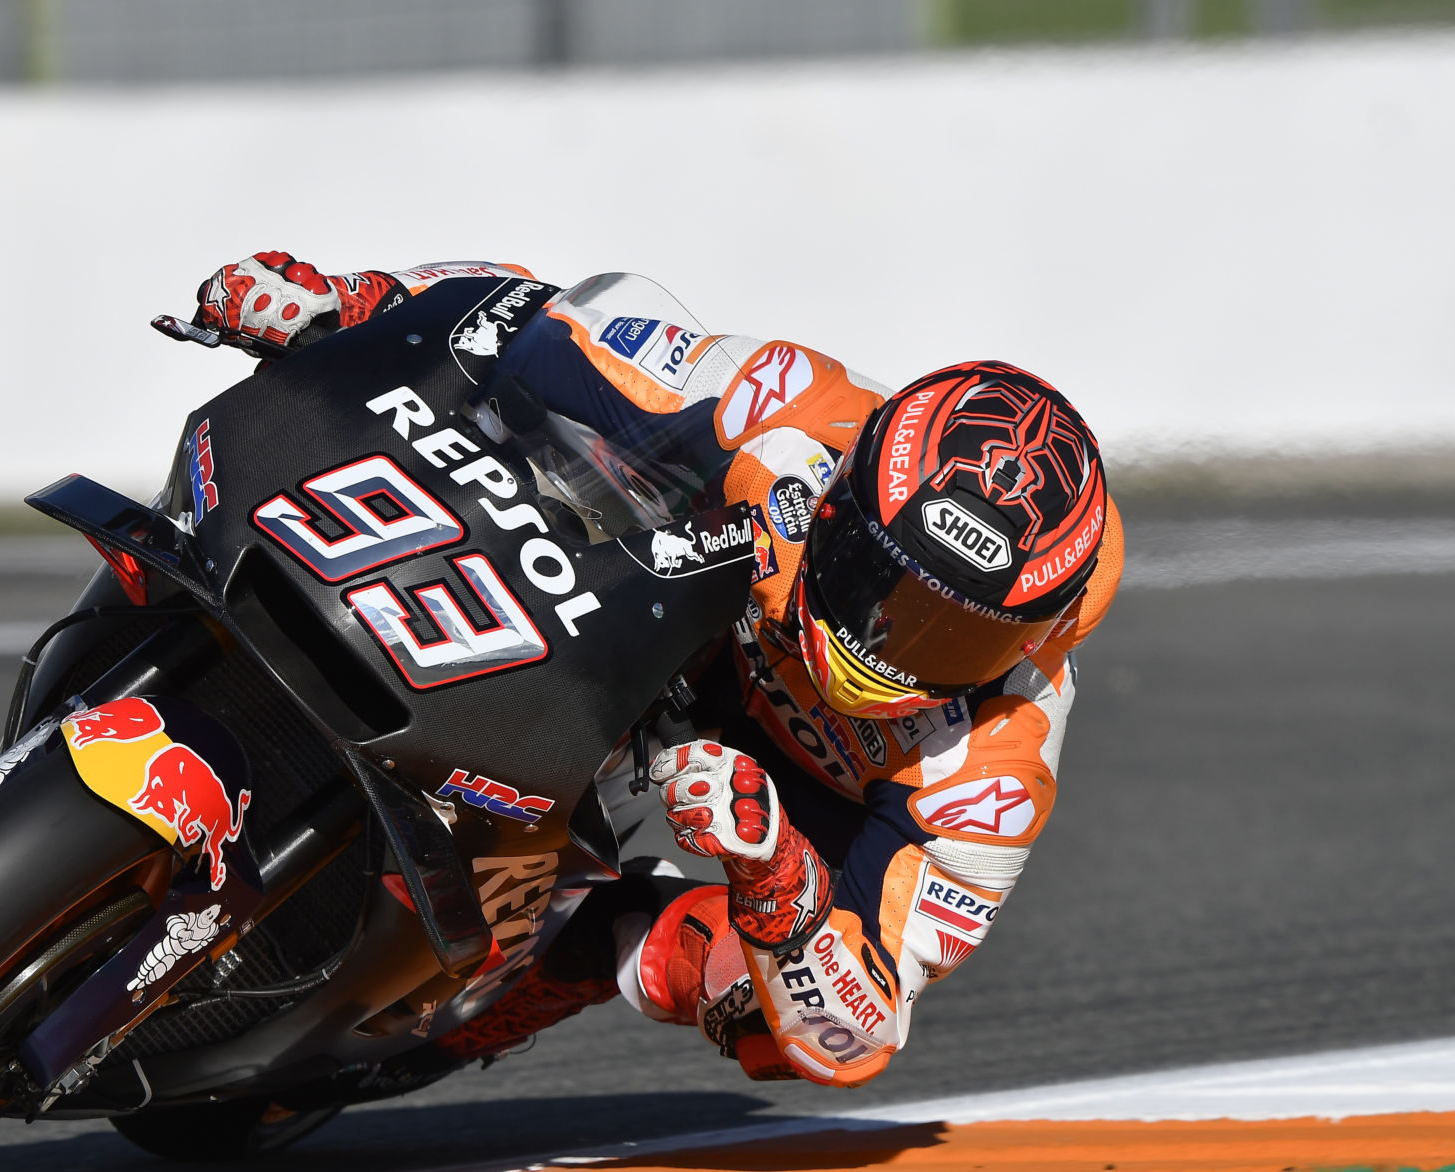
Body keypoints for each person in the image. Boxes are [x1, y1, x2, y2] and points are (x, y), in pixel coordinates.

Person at [193, 252, 1122, 1087]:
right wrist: (352, 307)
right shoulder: (788, 412)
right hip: (666, 631)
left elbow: (862, 1031)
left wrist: (779, 876)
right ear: (841, 497)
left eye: (950, 636)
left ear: (1035, 638)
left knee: (756, 1010)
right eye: (879, 580)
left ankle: (559, 965)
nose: (884, 643)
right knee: (555, 426)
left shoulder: (1002, 765)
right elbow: (540, 324)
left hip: (779, 807)